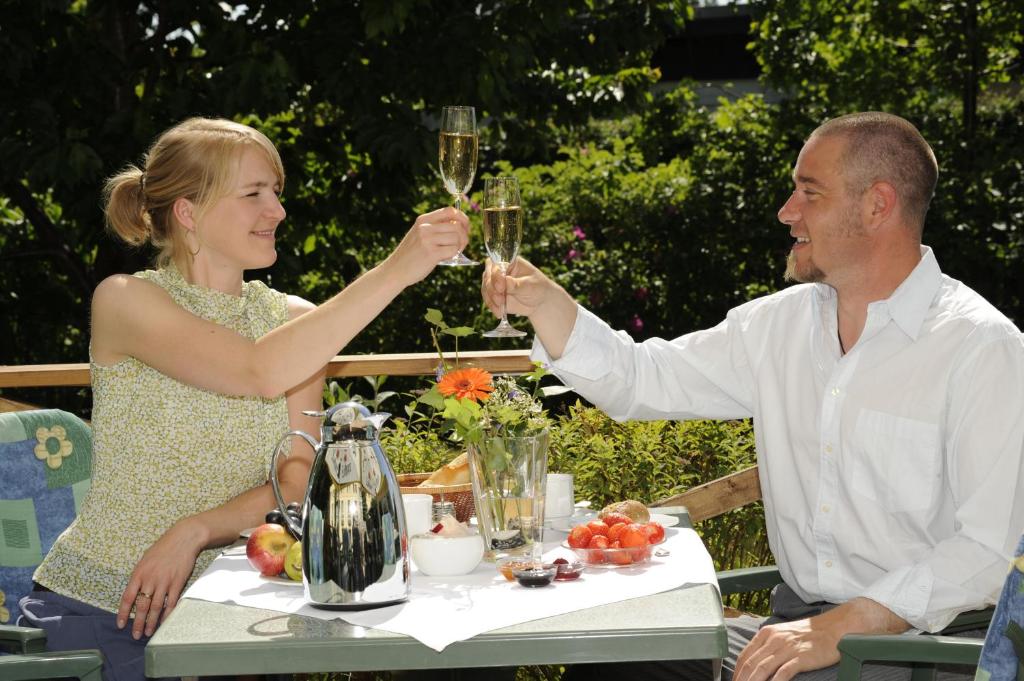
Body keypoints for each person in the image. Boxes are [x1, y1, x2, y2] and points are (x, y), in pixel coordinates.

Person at [481, 112, 1024, 681]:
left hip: (919, 649)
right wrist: (547, 304)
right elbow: (642, 378)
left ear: (877, 205)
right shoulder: (777, 327)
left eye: (809, 192)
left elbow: (991, 550)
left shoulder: (981, 348)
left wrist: (845, 625)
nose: (787, 211)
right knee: (614, 656)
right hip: (792, 627)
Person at [19, 117, 469, 681]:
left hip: (240, 610)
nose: (277, 210)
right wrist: (397, 270)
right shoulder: (124, 300)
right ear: (188, 213)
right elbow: (256, 371)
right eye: (254, 193)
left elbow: (298, 481)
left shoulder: (295, 322)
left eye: (275, 191)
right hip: (109, 612)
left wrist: (195, 530)